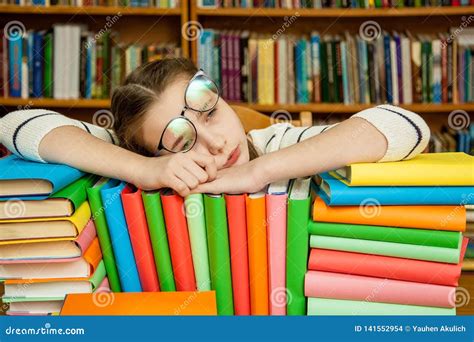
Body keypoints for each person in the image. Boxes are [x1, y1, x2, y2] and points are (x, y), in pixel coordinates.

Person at [0, 58, 430, 196]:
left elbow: (405, 126)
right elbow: (16, 124)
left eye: (211, 114)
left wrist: (260, 170)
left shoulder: (274, 143)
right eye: (181, 142)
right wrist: (143, 171)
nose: (219, 142)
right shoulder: (136, 163)